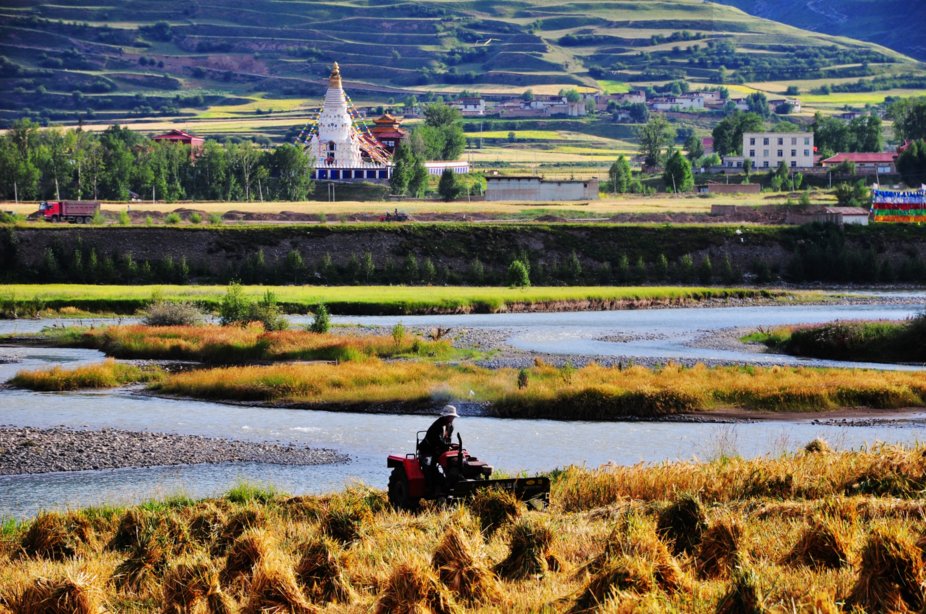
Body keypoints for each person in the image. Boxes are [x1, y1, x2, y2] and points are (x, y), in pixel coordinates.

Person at [418, 405, 458, 493]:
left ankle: (450, 482)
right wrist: (448, 446)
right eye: (451, 416)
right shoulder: (437, 426)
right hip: (427, 451)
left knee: (453, 462)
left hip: (440, 450)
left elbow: (448, 439)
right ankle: (430, 488)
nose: (452, 418)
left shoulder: (450, 426)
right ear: (445, 416)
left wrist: (451, 446)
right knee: (429, 467)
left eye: (453, 417)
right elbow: (438, 441)